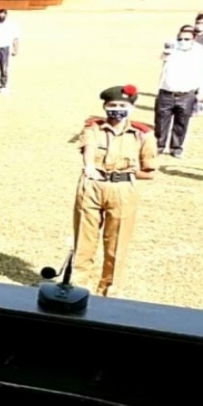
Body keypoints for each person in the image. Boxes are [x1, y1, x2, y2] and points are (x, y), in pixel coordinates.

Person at [72, 85, 157, 297]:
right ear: (104, 107)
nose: (116, 109)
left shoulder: (143, 134)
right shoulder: (93, 128)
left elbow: (150, 171)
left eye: (122, 105)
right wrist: (90, 167)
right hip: (92, 185)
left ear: (131, 108)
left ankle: (109, 290)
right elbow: (89, 149)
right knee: (84, 238)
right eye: (112, 105)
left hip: (122, 189)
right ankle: (77, 286)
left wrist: (129, 173)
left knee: (116, 243)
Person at [155, 25, 203, 158]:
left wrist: (202, 92)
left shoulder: (198, 51)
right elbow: (161, 59)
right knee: (161, 122)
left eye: (186, 39)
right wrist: (167, 52)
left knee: (182, 123)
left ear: (194, 39)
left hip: (186, 94)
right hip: (166, 92)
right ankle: (159, 146)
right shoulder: (172, 48)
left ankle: (176, 147)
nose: (183, 41)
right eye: (180, 38)